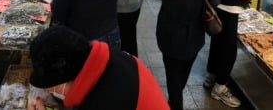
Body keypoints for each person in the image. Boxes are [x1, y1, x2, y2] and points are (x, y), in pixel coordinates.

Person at [29, 25, 170, 110]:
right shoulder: (112, 58)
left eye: (51, 85)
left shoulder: (103, 102)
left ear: (68, 78)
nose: (49, 90)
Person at [153, 0, 220, 110]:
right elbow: (215, 2)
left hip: (168, 34)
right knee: (183, 70)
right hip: (193, 36)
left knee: (171, 71)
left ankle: (175, 101)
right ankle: (176, 100)